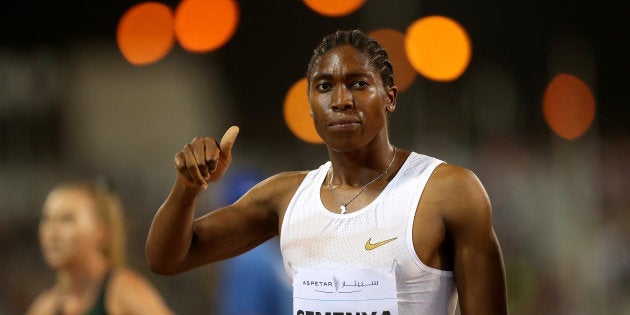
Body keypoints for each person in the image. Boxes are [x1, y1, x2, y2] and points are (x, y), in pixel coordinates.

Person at [146, 29, 508, 314]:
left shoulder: (446, 191)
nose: (340, 100)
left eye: (358, 83)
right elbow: (167, 257)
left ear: (390, 97)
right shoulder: (285, 197)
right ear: (310, 105)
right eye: (324, 87)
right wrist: (188, 187)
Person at [27, 180, 174, 315]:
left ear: (102, 233)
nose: (52, 232)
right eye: (47, 219)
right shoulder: (45, 306)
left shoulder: (122, 292)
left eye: (66, 219)